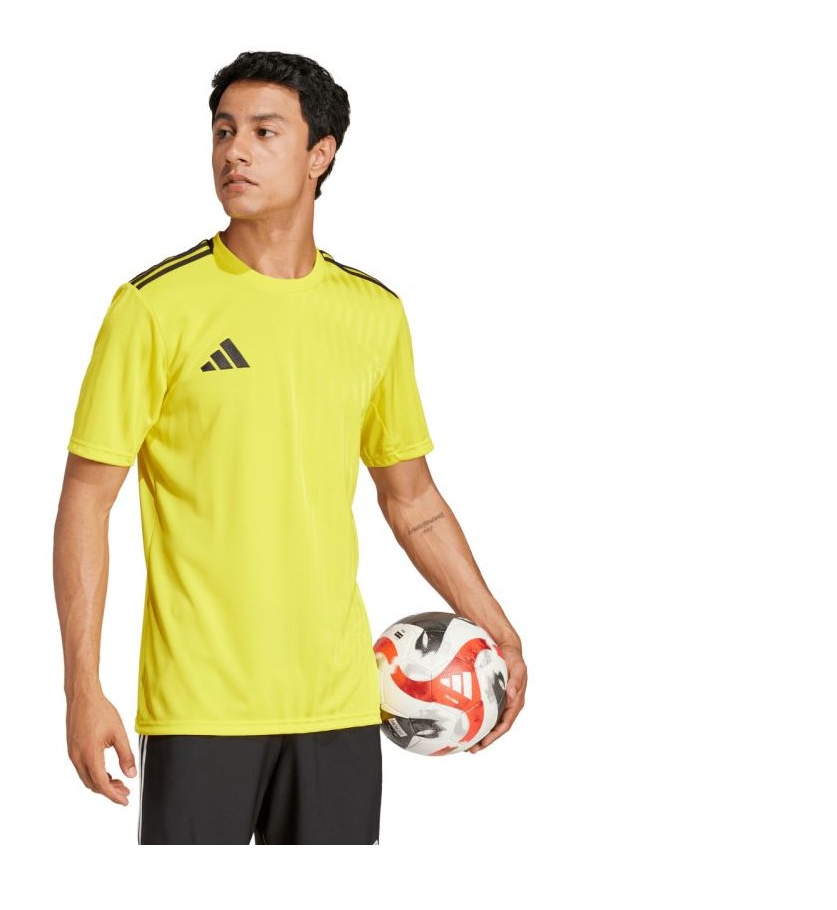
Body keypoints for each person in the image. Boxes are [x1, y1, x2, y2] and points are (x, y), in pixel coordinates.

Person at [52, 50, 527, 844]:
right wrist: (81, 687)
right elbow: (85, 501)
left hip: (341, 705)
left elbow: (412, 500)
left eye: (264, 132)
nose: (234, 151)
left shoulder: (373, 314)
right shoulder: (153, 307)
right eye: (223, 131)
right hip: (200, 706)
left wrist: (495, 625)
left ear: (320, 154)